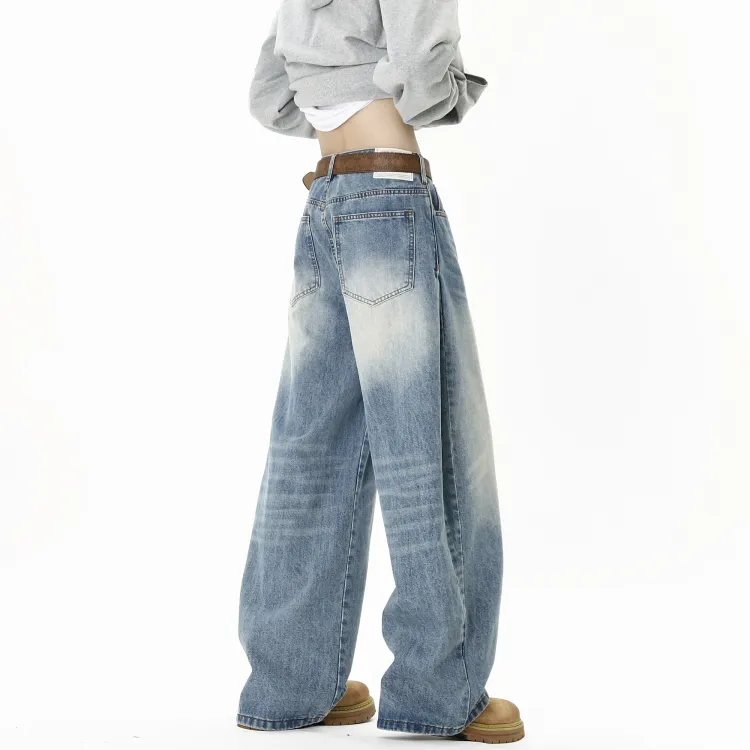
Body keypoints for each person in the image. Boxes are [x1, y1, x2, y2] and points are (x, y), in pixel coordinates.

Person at [236, 1, 525, 744]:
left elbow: (270, 95)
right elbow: (424, 77)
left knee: (310, 449)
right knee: (432, 449)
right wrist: (447, 92)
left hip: (325, 195)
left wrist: (340, 91)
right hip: (390, 196)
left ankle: (289, 682)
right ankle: (441, 692)